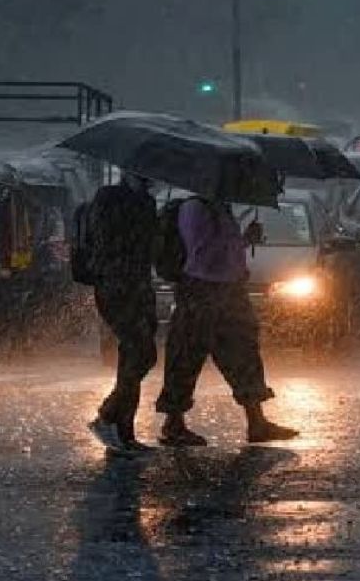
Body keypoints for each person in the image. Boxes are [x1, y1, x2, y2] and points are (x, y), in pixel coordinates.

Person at [156, 196, 298, 446]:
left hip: (230, 290)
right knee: (186, 356)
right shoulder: (195, 209)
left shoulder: (222, 207)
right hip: (202, 291)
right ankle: (173, 423)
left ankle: (257, 422)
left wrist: (244, 240)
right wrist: (236, 242)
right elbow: (202, 253)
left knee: (243, 354)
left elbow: (222, 251)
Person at [85, 172, 159, 453]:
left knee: (135, 356)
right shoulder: (108, 197)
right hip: (116, 285)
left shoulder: (148, 202)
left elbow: (150, 247)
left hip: (140, 285)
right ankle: (107, 416)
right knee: (141, 352)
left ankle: (124, 432)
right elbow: (107, 238)